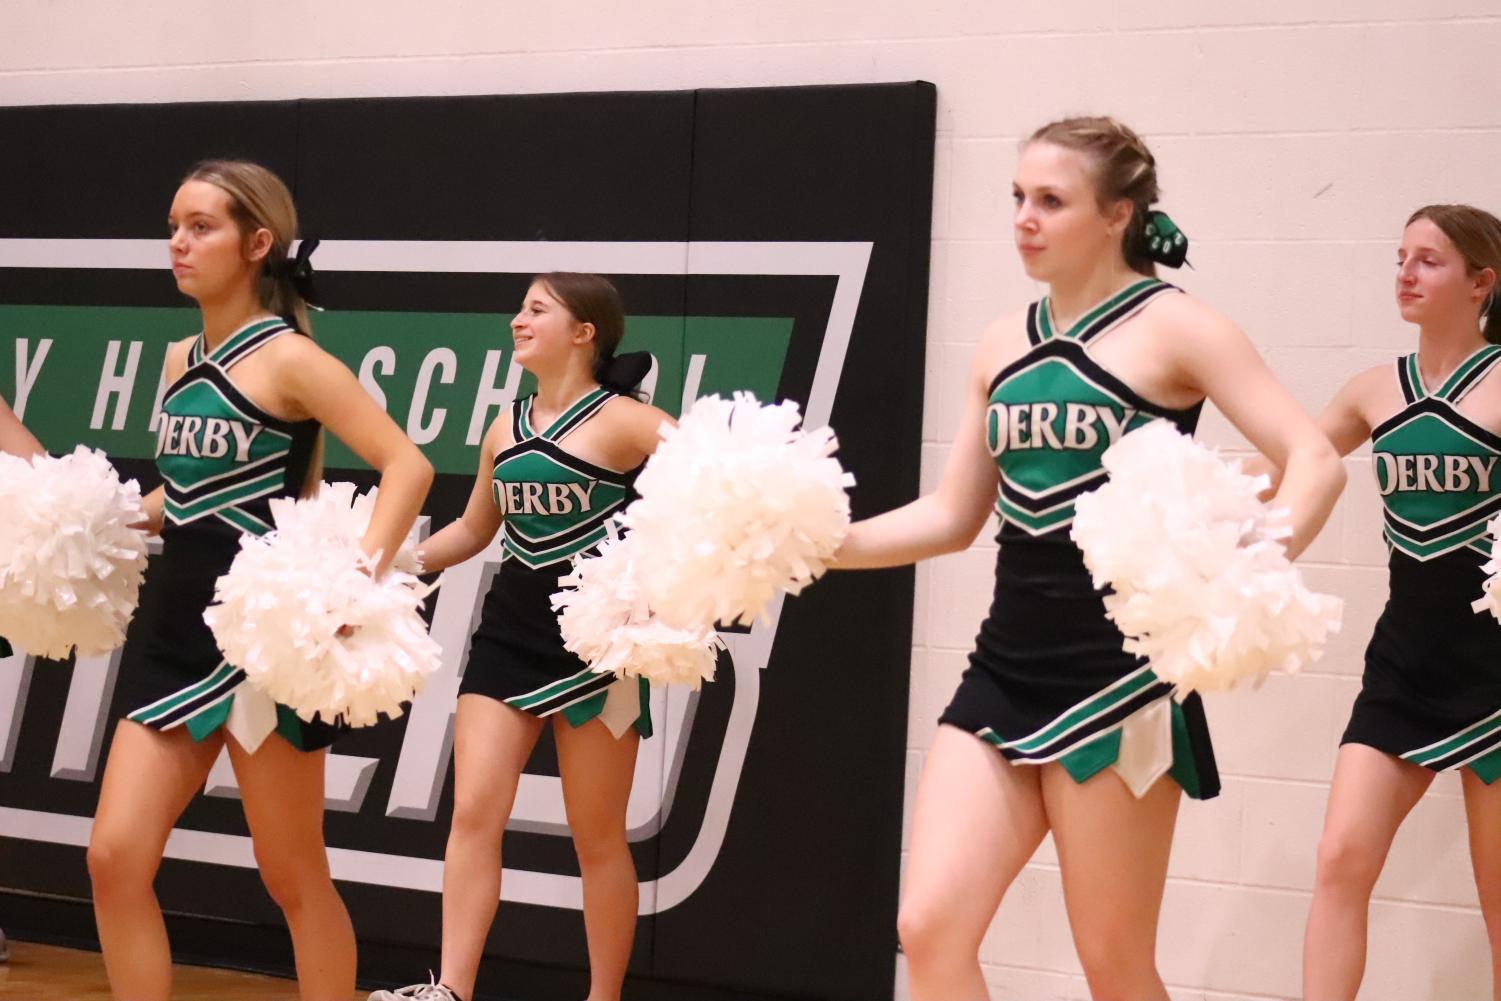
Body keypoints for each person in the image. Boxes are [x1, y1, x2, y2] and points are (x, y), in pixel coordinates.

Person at [833, 116, 1345, 1001]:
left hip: (1118, 680)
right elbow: (952, 516)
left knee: (1111, 964)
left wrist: (1252, 559)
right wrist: (817, 548)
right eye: (1017, 199)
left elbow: (1317, 459)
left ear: (1117, 214)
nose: (1024, 219)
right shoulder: (1001, 342)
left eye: (1050, 200)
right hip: (1003, 665)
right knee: (926, 926)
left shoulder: (1178, 327)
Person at [86, 159, 433, 1001]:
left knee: (292, 876)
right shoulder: (180, 357)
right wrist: (119, 515)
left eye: (200, 225)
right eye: (173, 224)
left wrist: (353, 578)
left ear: (258, 242)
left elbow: (406, 465)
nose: (178, 241)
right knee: (113, 857)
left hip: (260, 641)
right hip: (172, 633)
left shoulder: (289, 359)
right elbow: (193, 485)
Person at [371, 273, 669, 1001]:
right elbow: (477, 528)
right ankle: (452, 989)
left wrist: (663, 577)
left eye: (536, 309)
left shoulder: (628, 420)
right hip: (508, 635)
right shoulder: (505, 426)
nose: (517, 320)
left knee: (595, 833)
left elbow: (717, 484)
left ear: (584, 331)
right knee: (473, 810)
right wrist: (384, 562)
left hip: (597, 646)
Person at [1301, 204, 1501, 1001]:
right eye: (1399, 258)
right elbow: (1293, 468)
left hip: (1493, 670)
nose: (1405, 274)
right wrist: (1173, 489)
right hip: (1404, 665)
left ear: (1480, 282)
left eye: (1428, 261)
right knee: (1338, 859)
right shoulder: (1372, 388)